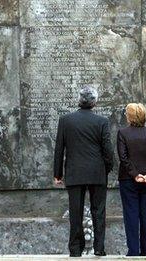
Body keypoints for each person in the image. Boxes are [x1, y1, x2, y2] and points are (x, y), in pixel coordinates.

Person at [53, 86, 114, 257]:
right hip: (97, 172)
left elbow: (59, 149)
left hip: (74, 172)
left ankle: (75, 249)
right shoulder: (102, 122)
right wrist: (106, 168)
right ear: (94, 102)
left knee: (75, 212)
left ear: (80, 100)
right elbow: (107, 150)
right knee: (99, 211)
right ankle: (99, 248)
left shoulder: (65, 120)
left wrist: (57, 174)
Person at [117, 103, 146, 256]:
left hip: (128, 180)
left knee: (131, 215)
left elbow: (123, 158)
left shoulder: (123, 133)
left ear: (129, 117)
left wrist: (135, 175)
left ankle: (133, 252)